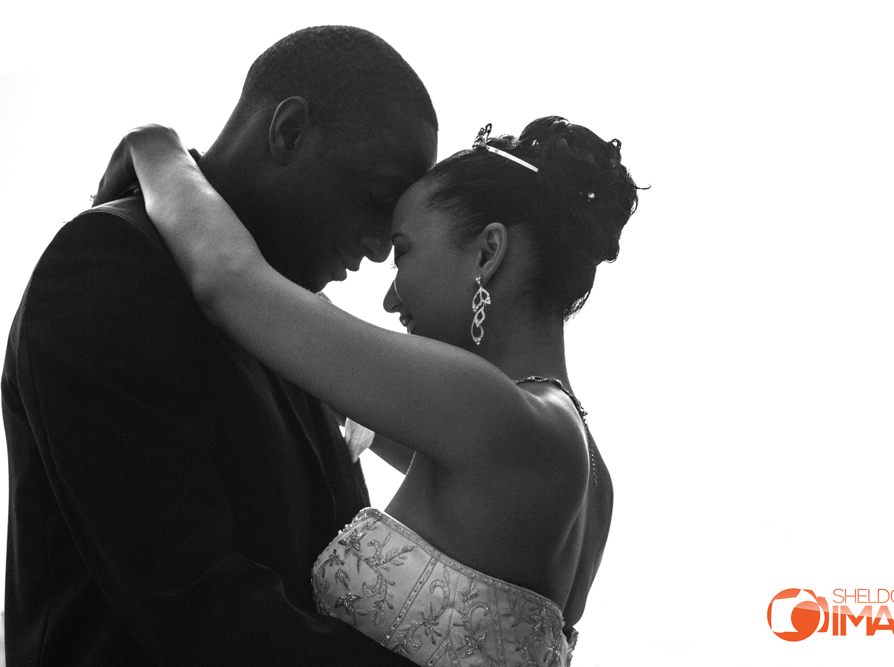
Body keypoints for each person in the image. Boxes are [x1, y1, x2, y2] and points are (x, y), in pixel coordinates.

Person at [94, 116, 639, 666]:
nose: (390, 299)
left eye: (403, 252)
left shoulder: (489, 411)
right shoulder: (582, 467)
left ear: (486, 253)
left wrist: (155, 146)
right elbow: (364, 406)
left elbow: (230, 282)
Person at [2, 26, 435, 666]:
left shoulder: (293, 325)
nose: (378, 246)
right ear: (288, 132)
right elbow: (194, 605)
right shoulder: (110, 264)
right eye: (376, 199)